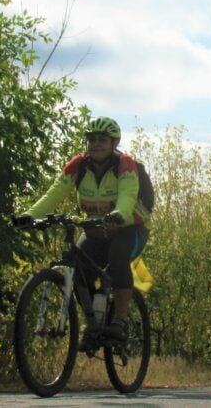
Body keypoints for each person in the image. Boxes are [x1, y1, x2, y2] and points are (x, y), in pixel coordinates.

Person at [22, 116, 150, 350]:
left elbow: (128, 195)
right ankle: (93, 325)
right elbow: (54, 194)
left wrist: (119, 214)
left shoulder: (125, 165)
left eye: (102, 140)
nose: (96, 144)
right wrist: (30, 216)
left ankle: (120, 321)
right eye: (91, 139)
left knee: (117, 256)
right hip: (94, 230)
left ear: (114, 143)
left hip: (129, 228)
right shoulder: (78, 166)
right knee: (79, 266)